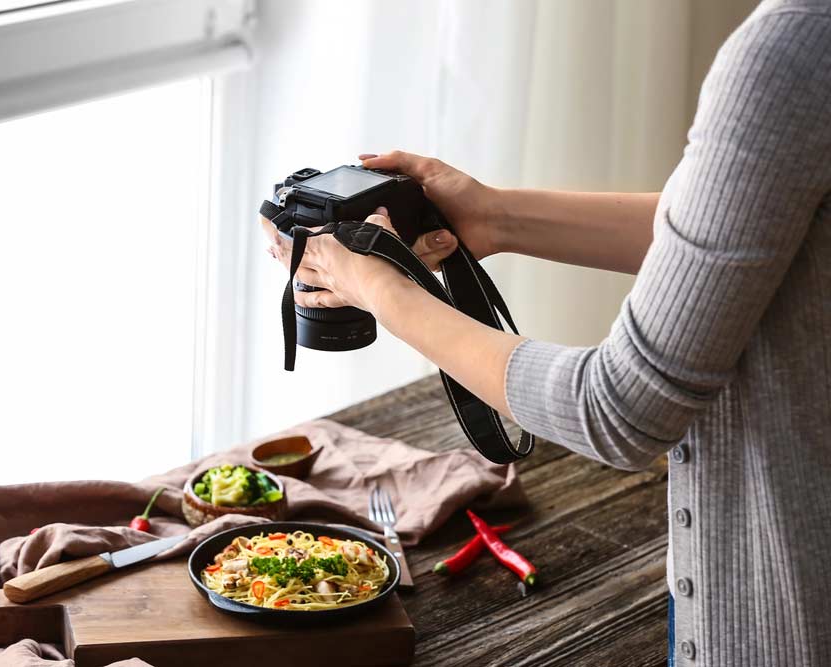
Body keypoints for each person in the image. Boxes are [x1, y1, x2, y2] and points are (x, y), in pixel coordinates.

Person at [260, 1, 831, 665]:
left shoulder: (794, 51)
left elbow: (622, 408)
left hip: (779, 619)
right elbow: (744, 226)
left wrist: (382, 289)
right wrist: (498, 217)